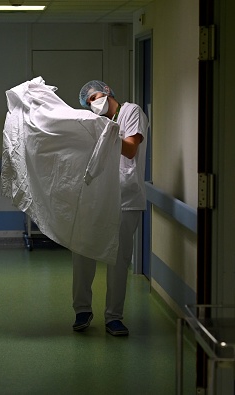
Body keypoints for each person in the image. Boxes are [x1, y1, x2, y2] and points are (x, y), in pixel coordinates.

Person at [72, 80, 148, 336]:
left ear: (107, 91)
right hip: (95, 198)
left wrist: (106, 131)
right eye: (88, 102)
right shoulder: (93, 123)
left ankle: (113, 317)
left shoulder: (131, 112)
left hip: (126, 199)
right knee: (83, 254)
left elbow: (129, 150)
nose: (94, 103)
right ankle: (82, 310)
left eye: (95, 96)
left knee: (118, 261)